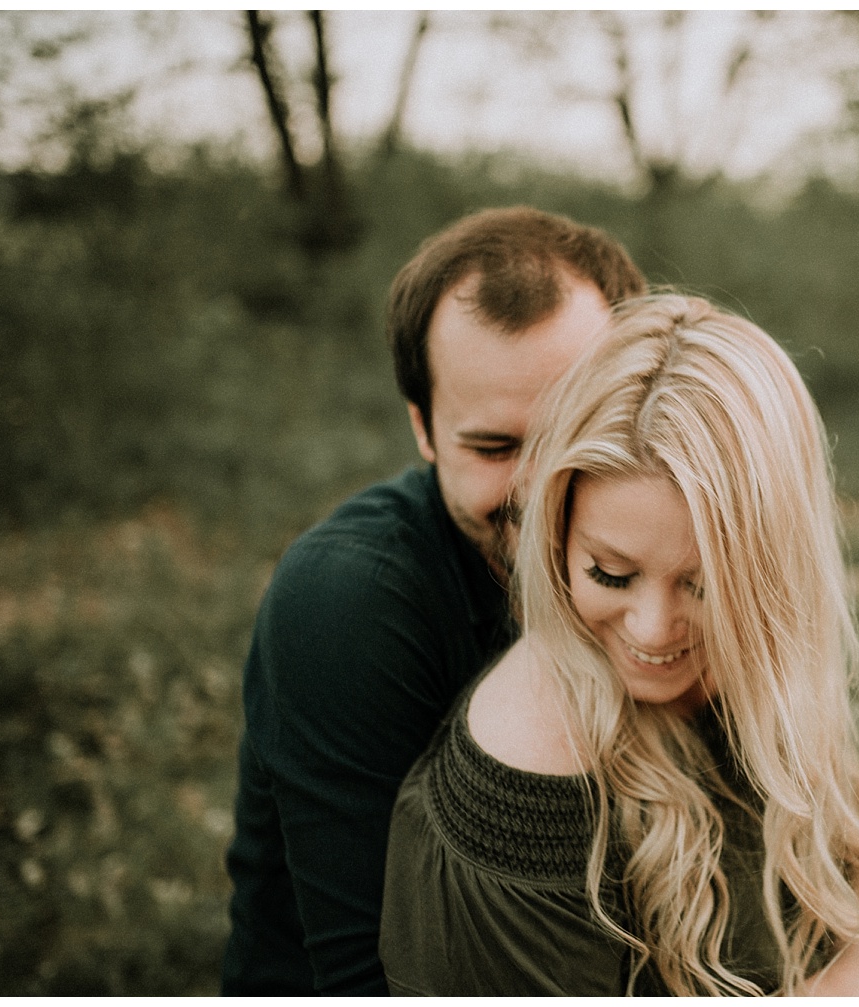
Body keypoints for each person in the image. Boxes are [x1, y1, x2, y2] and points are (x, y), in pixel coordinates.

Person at [379, 295, 859, 996]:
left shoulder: (748, 687)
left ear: (777, 572)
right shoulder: (525, 799)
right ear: (556, 538)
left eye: (705, 584)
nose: (653, 631)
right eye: (611, 573)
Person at [220, 207, 646, 995]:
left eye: (570, 433)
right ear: (423, 427)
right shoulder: (349, 603)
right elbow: (370, 976)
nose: (538, 488)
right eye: (494, 447)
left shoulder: (669, 564)